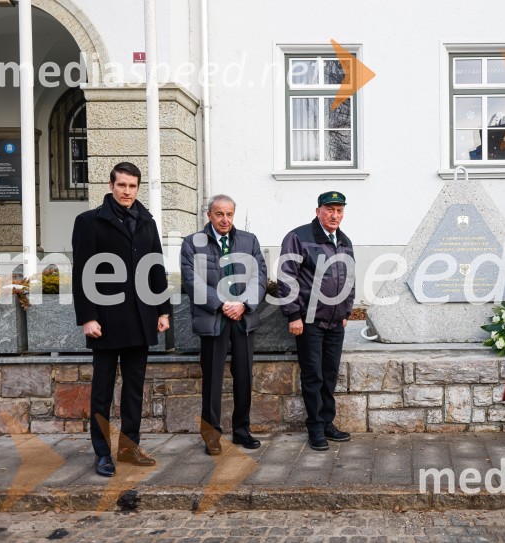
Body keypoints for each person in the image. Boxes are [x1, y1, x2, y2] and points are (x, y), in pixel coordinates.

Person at [72, 161, 171, 477]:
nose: (127, 191)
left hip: (141, 319)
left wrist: (163, 310)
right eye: (122, 185)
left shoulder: (147, 221)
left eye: (132, 186)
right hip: (105, 320)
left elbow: (156, 267)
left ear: (138, 188)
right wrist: (87, 317)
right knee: (102, 392)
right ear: (111, 186)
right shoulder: (89, 222)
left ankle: (129, 448)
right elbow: (82, 273)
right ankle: (102, 453)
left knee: (134, 390)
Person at [181, 194, 267, 455]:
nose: (225, 219)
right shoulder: (192, 243)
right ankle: (211, 436)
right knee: (212, 379)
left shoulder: (249, 241)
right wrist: (222, 303)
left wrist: (243, 304)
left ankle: (242, 431)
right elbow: (191, 280)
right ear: (209, 215)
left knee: (244, 377)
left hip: (243, 319)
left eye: (229, 214)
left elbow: (260, 276)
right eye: (219, 214)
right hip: (214, 320)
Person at [278, 191, 355, 450]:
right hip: (308, 321)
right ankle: (315, 429)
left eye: (339, 210)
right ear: (318, 211)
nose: (335, 215)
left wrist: (346, 312)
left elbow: (349, 278)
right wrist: (293, 315)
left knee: (329, 375)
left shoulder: (344, 240)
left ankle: (327, 423)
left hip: (335, 321)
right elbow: (287, 277)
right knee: (313, 376)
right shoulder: (298, 237)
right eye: (330, 209)